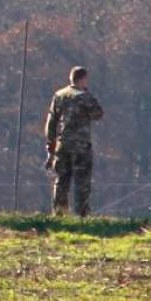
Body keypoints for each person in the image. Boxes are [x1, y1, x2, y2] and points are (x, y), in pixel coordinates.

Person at [45, 66, 104, 217]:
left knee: (61, 180)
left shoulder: (59, 95)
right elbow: (98, 114)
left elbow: (51, 123)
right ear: (83, 79)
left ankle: (59, 213)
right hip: (80, 146)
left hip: (62, 144)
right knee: (82, 182)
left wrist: (50, 147)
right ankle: (81, 215)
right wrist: (88, 94)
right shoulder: (84, 96)